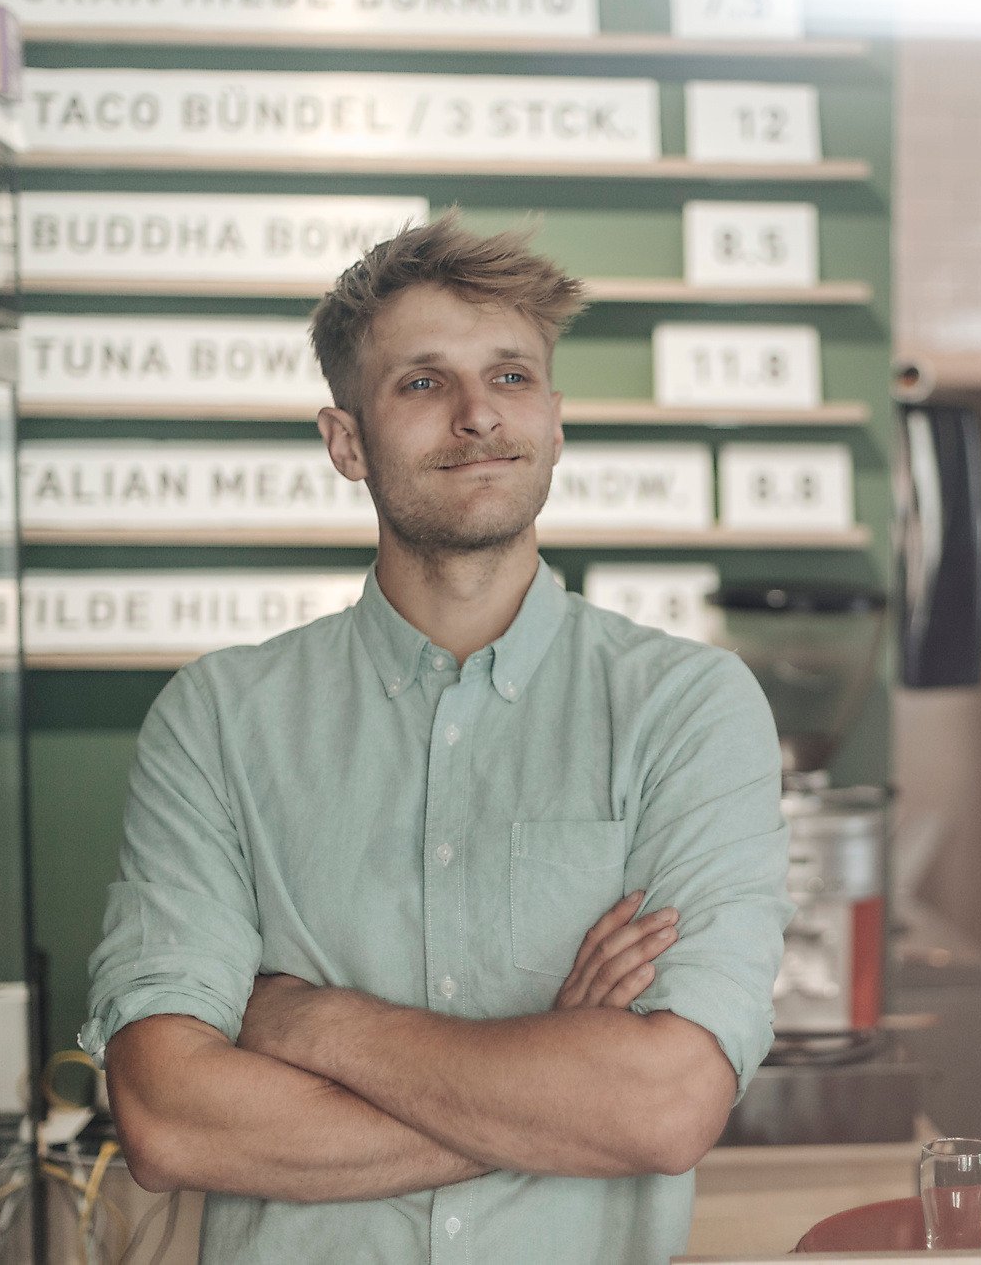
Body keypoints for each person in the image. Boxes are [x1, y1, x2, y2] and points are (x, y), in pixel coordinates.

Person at [80, 212, 794, 1264]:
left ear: (554, 421)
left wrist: (308, 1024)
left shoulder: (687, 706)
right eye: (422, 383)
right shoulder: (219, 719)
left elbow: (659, 1109)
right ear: (346, 441)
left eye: (509, 378)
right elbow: (170, 1118)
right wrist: (549, 1086)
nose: (475, 417)